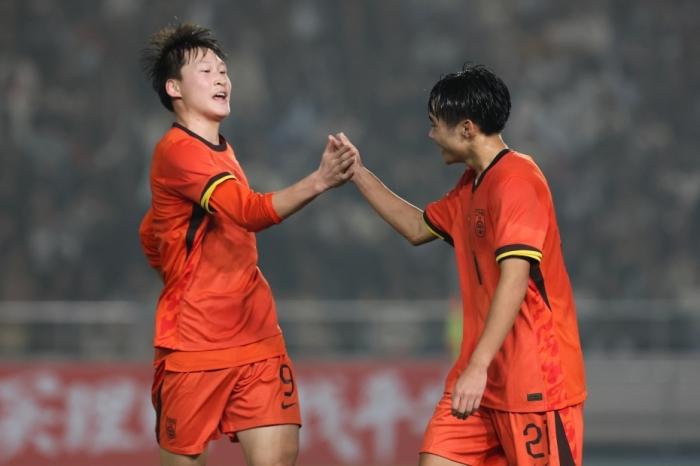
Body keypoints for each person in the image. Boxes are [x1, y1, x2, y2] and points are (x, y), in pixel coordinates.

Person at [338, 64, 586, 466]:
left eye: (435, 124)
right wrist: (357, 173)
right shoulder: (471, 185)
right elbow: (417, 227)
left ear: (467, 128)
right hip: (479, 382)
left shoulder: (518, 181)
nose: (431, 135)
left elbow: (515, 279)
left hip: (534, 381)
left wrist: (478, 366)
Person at [138, 24, 354, 466]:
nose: (221, 78)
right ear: (174, 88)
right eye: (206, 71)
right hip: (196, 347)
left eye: (223, 70)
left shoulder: (221, 149)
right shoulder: (178, 151)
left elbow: (151, 233)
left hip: (257, 338)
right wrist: (320, 180)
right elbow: (249, 211)